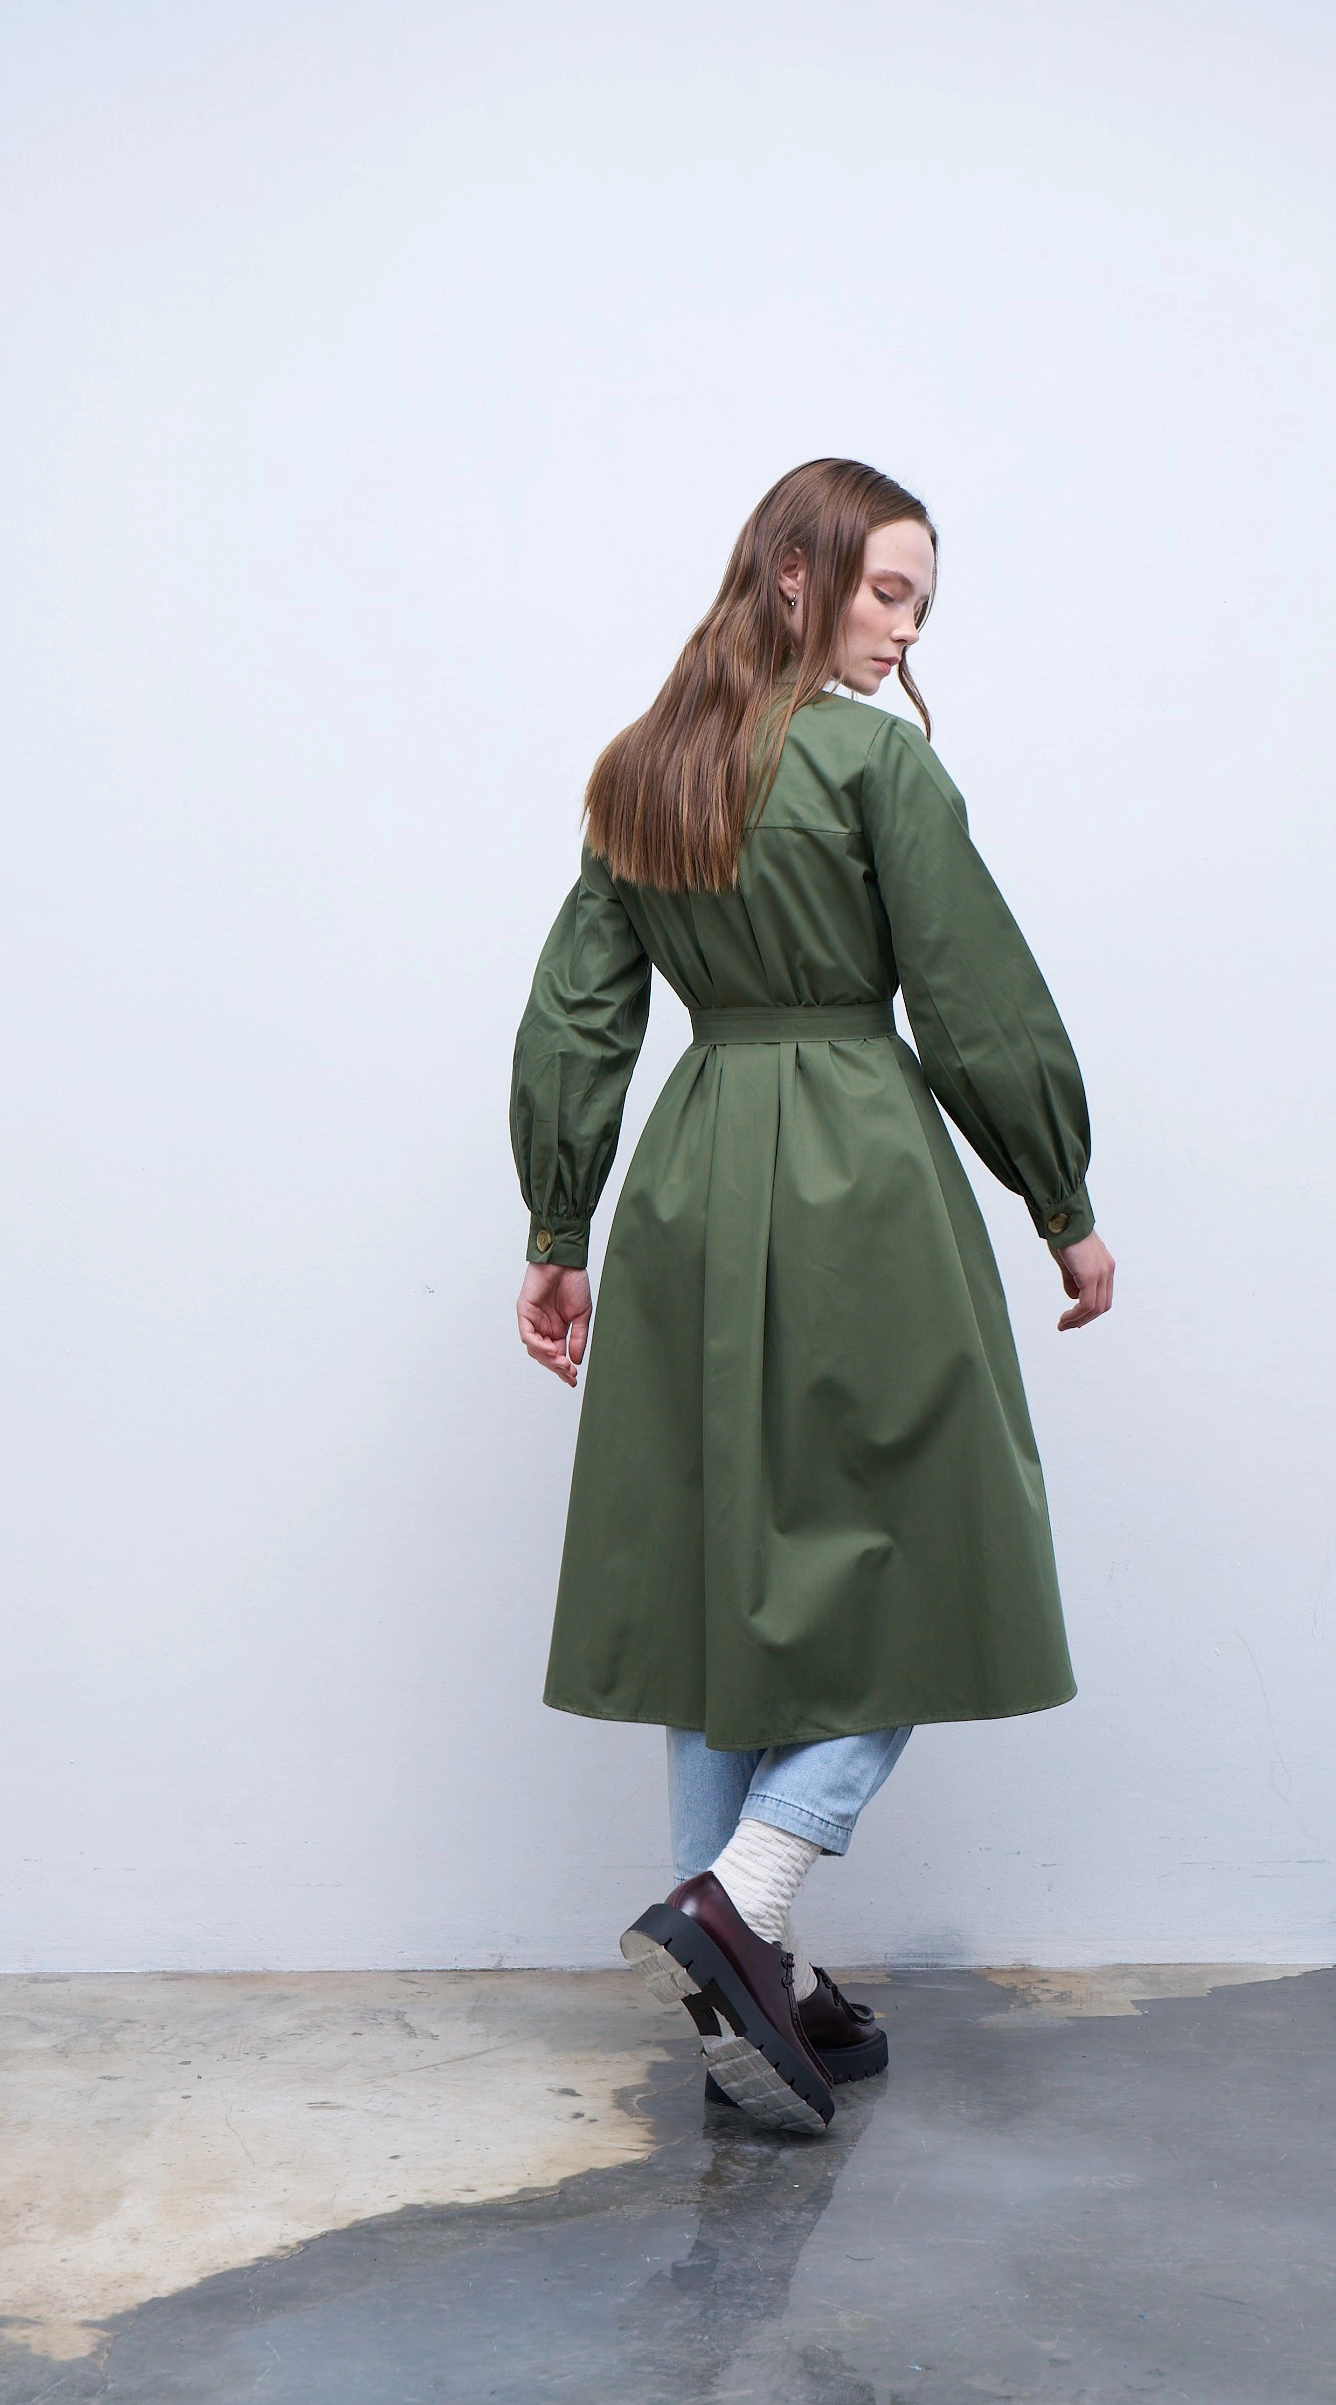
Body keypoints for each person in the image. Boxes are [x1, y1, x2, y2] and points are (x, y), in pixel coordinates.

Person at [511, 458, 1114, 2135]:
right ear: (795, 575)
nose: (904, 630)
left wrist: (558, 1224)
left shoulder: (644, 770)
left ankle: (736, 1992)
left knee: (722, 1576)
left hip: (694, 1174)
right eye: (886, 592)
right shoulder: (872, 764)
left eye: (919, 604)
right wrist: (1058, 1195)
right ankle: (746, 1899)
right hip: (859, 1173)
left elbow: (578, 1016)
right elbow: (974, 1000)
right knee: (928, 1537)